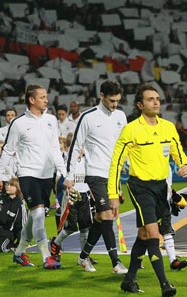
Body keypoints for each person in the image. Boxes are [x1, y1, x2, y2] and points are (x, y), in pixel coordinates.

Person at [108, 84, 184, 296]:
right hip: (140, 187)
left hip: (161, 187)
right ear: (140, 105)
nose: (156, 102)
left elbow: (178, 152)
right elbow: (116, 163)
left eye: (158, 98)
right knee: (153, 233)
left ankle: (129, 280)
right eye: (151, 99)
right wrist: (113, 194)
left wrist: (184, 164)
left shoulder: (168, 127)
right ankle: (165, 285)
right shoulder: (131, 129)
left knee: (143, 235)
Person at [0, 84, 64, 269]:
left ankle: (19, 253)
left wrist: (64, 172)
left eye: (46, 96)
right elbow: (8, 150)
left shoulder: (51, 120)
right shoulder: (19, 123)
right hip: (27, 174)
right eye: (42, 97)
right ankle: (46, 256)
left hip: (47, 175)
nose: (46, 100)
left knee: (34, 216)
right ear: (32, 100)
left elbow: (55, 148)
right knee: (39, 213)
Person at [63, 80, 128, 274]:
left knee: (102, 218)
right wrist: (70, 175)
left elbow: (124, 146)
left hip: (113, 176)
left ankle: (83, 257)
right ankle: (116, 263)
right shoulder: (88, 117)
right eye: (111, 100)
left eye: (117, 101)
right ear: (101, 96)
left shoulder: (121, 116)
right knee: (107, 215)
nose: (115, 104)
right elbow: (75, 146)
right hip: (95, 173)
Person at [50, 147, 92, 263]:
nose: (82, 150)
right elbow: (61, 178)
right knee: (70, 228)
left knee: (85, 228)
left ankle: (83, 257)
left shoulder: (88, 160)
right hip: (71, 196)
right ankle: (55, 244)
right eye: (81, 147)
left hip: (84, 196)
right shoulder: (69, 161)